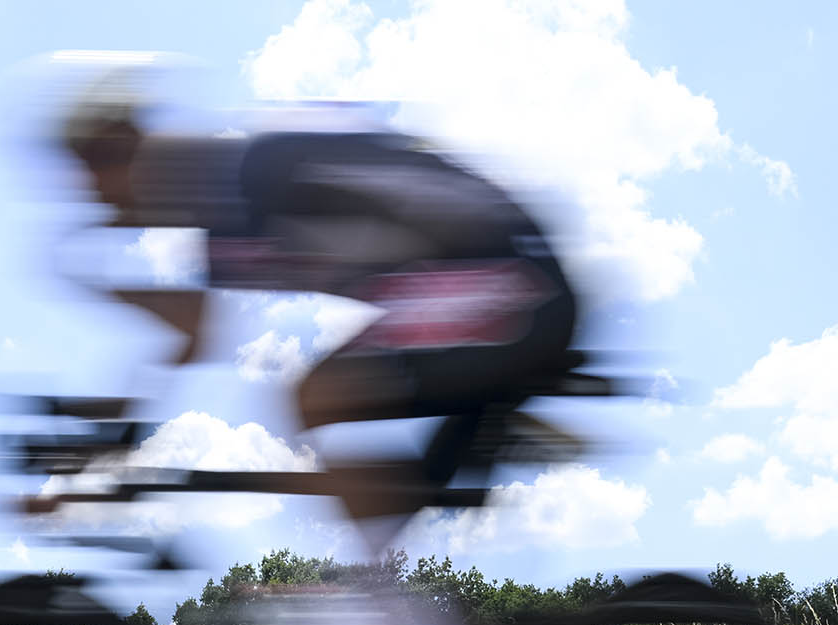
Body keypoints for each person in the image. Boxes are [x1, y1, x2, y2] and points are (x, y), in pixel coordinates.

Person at [60, 87, 579, 503]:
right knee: (348, 436)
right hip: (504, 275)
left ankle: (388, 596)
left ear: (122, 152)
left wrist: (115, 439)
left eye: (91, 174)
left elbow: (194, 329)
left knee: (317, 396)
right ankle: (397, 579)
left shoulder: (224, 181)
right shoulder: (225, 176)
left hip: (507, 281)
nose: (93, 195)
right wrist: (117, 434)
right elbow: (193, 331)